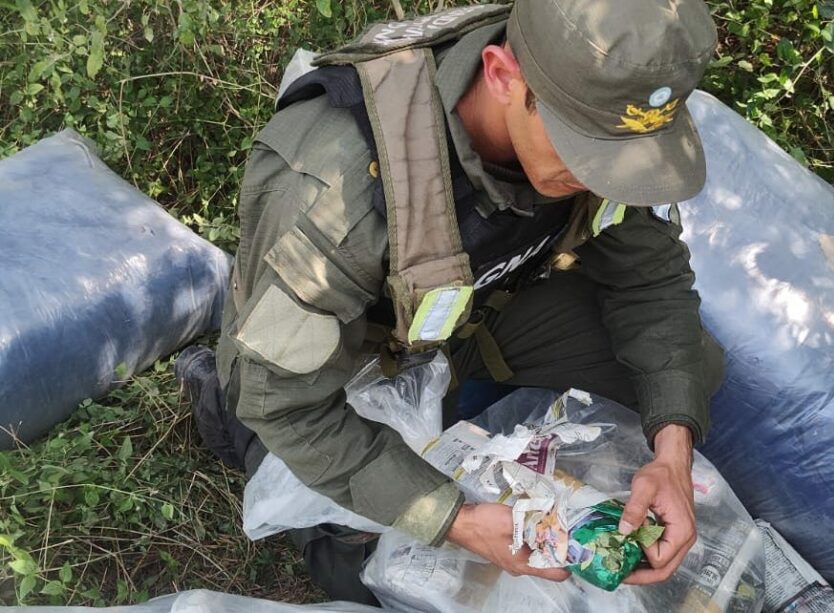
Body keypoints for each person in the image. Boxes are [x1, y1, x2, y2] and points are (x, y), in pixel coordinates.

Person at [177, 0, 722, 605]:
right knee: (372, 569)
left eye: (620, 162)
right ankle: (226, 418)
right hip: (338, 369)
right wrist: (453, 519)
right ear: (501, 75)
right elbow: (283, 404)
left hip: (464, 323)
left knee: (688, 369)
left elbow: (650, 278)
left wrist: (672, 452)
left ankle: (465, 429)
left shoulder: (596, 110)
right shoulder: (337, 195)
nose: (602, 181)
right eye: (585, 153)